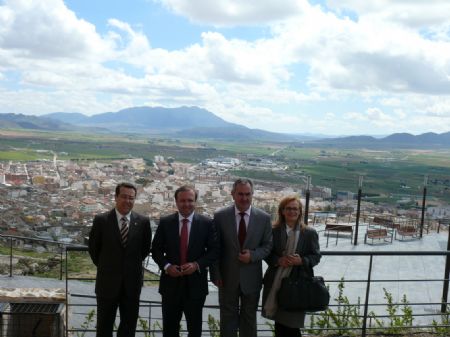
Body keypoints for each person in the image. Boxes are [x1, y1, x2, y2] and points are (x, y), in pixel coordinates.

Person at [151, 185, 219, 337]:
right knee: (169, 329)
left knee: (195, 330)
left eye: (190, 200)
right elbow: (155, 250)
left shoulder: (207, 223)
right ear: (176, 201)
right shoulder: (166, 222)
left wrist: (197, 265)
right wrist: (167, 266)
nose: (186, 204)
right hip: (170, 285)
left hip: (196, 286)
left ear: (195, 202)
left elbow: (214, 251)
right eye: (182, 200)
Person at [88, 182, 152, 337]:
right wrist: (109, 266)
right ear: (116, 197)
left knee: (128, 327)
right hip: (107, 284)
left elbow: (144, 250)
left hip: (132, 285)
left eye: (131, 198)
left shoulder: (143, 222)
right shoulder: (101, 220)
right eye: (124, 196)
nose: (127, 201)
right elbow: (94, 250)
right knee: (104, 327)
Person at [210, 178, 273, 337]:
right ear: (232, 194)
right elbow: (214, 248)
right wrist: (215, 273)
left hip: (252, 278)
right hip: (226, 277)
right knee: (227, 318)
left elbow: (267, 246)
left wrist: (252, 256)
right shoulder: (220, 216)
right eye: (240, 194)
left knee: (249, 318)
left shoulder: (264, 218)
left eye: (248, 194)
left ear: (253, 195)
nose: (244, 198)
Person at [262, 195, 321, 337]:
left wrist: (301, 261)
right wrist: (278, 260)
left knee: (293, 325)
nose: (292, 211)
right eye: (288, 208)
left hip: (298, 285)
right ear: (282, 211)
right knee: (279, 324)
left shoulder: (309, 233)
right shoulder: (273, 231)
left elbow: (316, 256)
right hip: (277, 283)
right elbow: (266, 253)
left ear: (300, 212)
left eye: (295, 209)